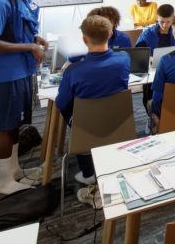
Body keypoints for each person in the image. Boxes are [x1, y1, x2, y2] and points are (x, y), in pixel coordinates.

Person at [0, 0, 48, 194]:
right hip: (7, 75)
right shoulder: (0, 4)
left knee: (16, 125)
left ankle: (15, 172)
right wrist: (30, 45)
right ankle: (3, 181)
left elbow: (15, 31)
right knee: (6, 127)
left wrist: (34, 37)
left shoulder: (19, 1)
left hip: (22, 71)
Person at [55, 15, 130, 208]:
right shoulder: (124, 60)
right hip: (119, 123)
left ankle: (88, 171)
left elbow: (61, 102)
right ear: (111, 34)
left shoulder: (73, 71)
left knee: (67, 105)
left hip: (85, 126)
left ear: (84, 40)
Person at [62, 6, 132, 71]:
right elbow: (70, 62)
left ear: (114, 23)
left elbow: (129, 62)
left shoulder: (123, 38)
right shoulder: (83, 39)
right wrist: (67, 66)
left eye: (108, 22)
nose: (102, 26)